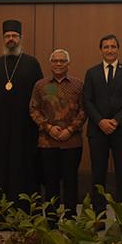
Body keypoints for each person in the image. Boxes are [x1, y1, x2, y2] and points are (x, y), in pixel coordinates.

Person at [0, 19, 43, 229]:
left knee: (23, 170)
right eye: (7, 36)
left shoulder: (32, 63)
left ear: (21, 39)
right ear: (3, 39)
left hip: (24, 130)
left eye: (14, 36)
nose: (11, 40)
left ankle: (26, 217)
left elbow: (40, 97)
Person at [83, 34, 122, 224]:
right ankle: (99, 215)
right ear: (100, 50)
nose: (109, 50)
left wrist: (115, 121)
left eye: (113, 47)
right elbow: (87, 101)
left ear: (118, 50)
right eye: (106, 47)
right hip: (97, 130)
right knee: (98, 175)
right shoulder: (91, 73)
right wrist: (100, 121)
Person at [30, 49, 86, 223]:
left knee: (71, 183)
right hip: (47, 143)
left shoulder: (78, 85)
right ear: (50, 64)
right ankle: (51, 220)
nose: (59, 64)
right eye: (55, 61)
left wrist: (70, 130)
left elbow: (84, 111)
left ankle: (70, 219)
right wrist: (48, 128)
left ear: (68, 64)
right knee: (50, 184)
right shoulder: (40, 85)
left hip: (72, 142)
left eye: (62, 61)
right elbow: (33, 109)